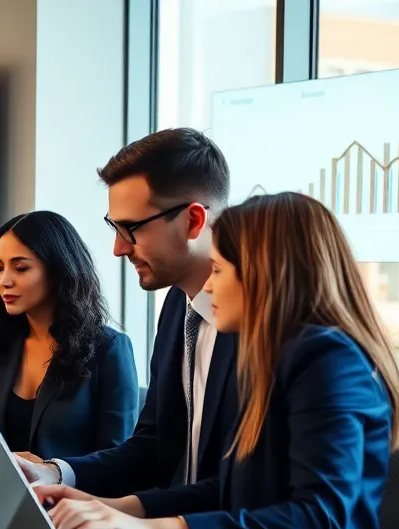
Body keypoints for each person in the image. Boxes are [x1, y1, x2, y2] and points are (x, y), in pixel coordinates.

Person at [39, 192, 399, 529]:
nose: (208, 287)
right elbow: (232, 490)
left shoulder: (327, 360)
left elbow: (319, 519)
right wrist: (116, 513)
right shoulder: (274, 356)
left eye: (219, 270)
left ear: (265, 274)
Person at [15, 128, 239, 506]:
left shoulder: (263, 325)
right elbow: (152, 447)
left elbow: (251, 490)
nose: (119, 248)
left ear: (193, 221)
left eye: (131, 229)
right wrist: (53, 473)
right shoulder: (176, 310)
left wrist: (122, 515)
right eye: (114, 228)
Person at [0, 211, 138, 459]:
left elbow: (117, 460)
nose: (4, 280)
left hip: (75, 496)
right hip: (2, 495)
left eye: (20, 268)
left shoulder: (109, 349)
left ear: (59, 270)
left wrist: (54, 473)